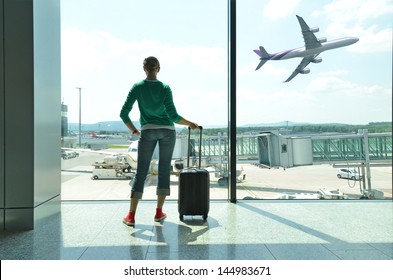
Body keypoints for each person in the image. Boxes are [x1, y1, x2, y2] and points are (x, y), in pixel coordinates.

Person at [120, 56, 199, 226]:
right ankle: (158, 212)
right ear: (158, 69)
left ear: (144, 69)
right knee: (164, 169)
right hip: (167, 131)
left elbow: (123, 113)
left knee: (141, 171)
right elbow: (174, 116)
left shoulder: (137, 87)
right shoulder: (165, 88)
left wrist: (134, 130)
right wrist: (190, 123)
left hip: (147, 131)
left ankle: (131, 215)